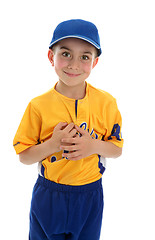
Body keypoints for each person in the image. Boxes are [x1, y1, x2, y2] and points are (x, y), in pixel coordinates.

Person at [13, 19, 123, 240]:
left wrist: (93, 146)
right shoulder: (38, 106)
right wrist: (52, 144)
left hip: (90, 193)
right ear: (51, 57)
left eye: (84, 57)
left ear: (94, 62)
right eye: (65, 54)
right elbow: (23, 156)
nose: (74, 64)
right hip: (50, 194)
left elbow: (116, 149)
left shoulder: (106, 103)